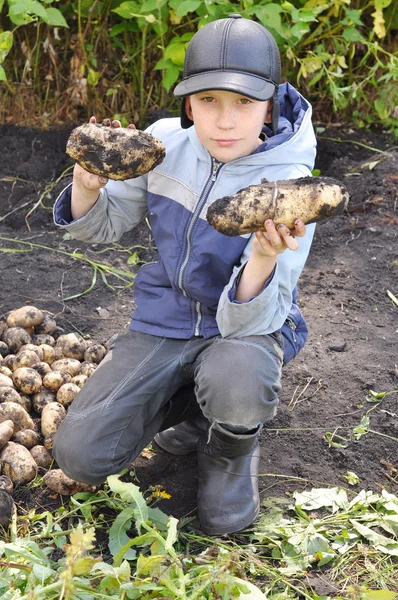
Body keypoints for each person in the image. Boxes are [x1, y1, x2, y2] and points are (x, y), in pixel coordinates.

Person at [52, 14, 317, 535]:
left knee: (236, 374)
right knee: (80, 454)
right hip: (167, 321)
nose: (224, 121)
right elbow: (105, 227)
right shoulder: (163, 145)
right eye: (208, 101)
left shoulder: (291, 187)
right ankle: (193, 408)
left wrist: (263, 256)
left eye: (243, 102)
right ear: (187, 103)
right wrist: (87, 187)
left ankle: (229, 451)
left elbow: (255, 317)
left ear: (269, 104)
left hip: (244, 331)